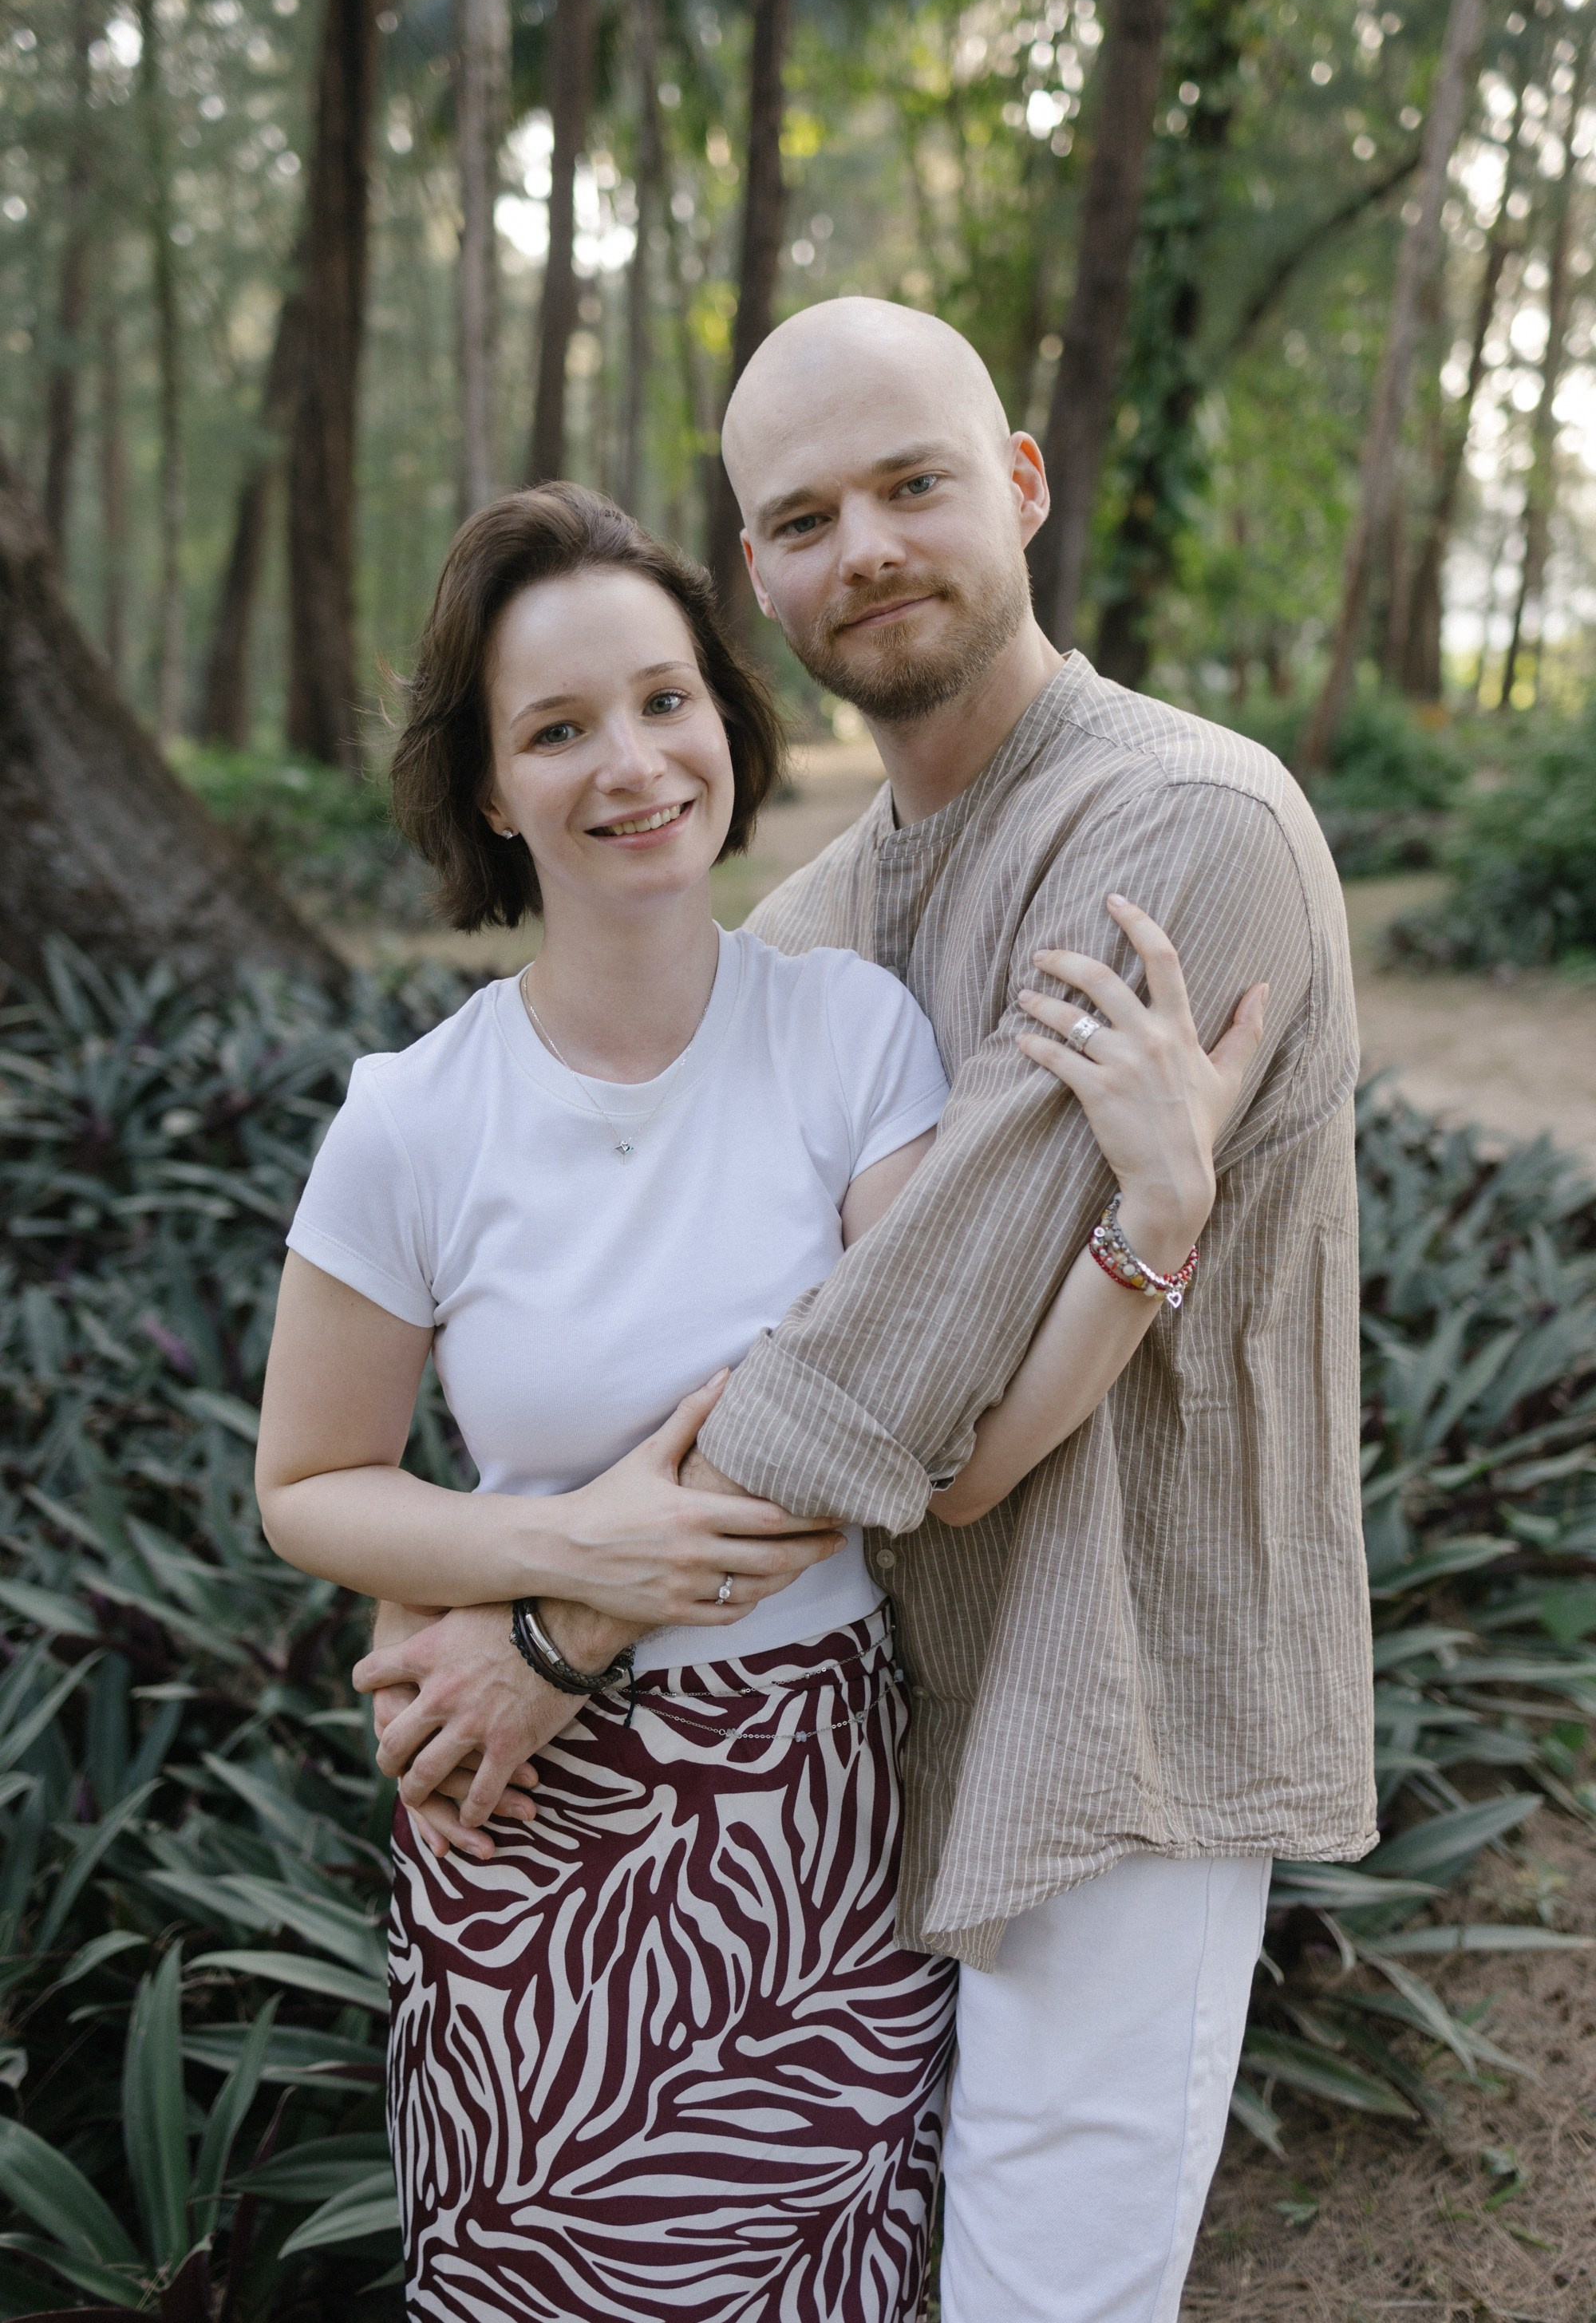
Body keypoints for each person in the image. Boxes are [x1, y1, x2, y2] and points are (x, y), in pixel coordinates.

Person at [369, 302, 1377, 2323]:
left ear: (1017, 484)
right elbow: (698, 1309)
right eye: (805, 516)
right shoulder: (832, 922)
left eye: (915, 484)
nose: (869, 547)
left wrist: (558, 1623)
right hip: (872, 1740)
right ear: (760, 579)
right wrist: (467, 1567)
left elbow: (903, 1352)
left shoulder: (1184, 823)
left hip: (1115, 1723)